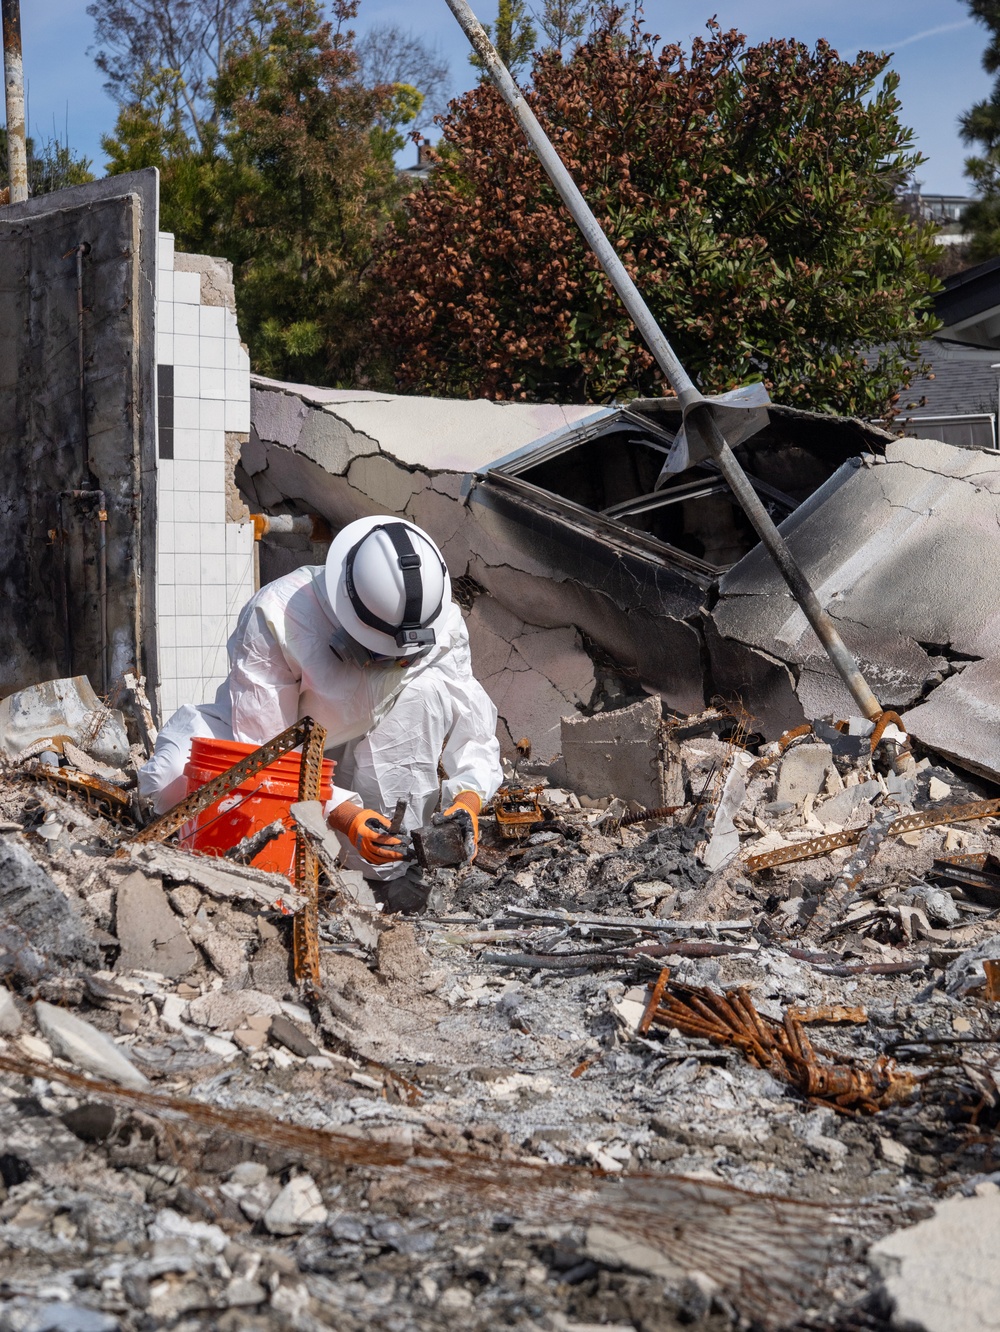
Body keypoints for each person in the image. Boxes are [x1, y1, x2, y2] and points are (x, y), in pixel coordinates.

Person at [139, 515, 503, 907]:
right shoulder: (279, 616)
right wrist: (346, 816)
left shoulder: (441, 620)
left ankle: (385, 873)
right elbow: (267, 748)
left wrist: (467, 802)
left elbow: (474, 729)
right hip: (277, 738)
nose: (397, 664)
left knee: (427, 692)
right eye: (383, 655)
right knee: (168, 781)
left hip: (365, 734)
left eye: (406, 657)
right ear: (346, 618)